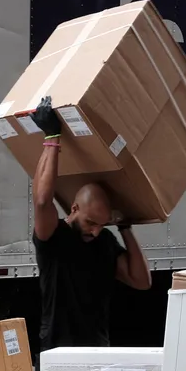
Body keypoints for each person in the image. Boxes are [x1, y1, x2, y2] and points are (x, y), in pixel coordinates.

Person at [30, 97, 152, 350]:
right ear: (74, 208)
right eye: (90, 222)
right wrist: (52, 137)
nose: (95, 231)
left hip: (96, 352)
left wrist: (125, 228)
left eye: (101, 224)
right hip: (57, 352)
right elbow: (42, 201)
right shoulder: (54, 237)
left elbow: (142, 281)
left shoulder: (105, 242)